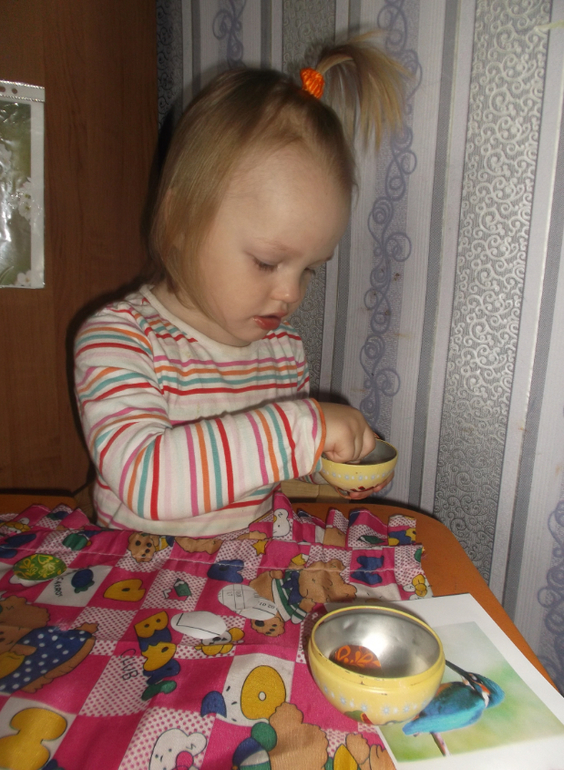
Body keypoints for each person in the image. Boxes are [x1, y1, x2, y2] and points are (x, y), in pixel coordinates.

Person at [74, 33, 406, 536]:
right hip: (138, 573)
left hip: (243, 567)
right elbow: (146, 480)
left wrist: (329, 460)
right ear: (181, 220)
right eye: (267, 262)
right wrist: (305, 430)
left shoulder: (282, 351)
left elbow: (272, 460)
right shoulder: (118, 339)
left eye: (309, 269)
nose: (291, 293)